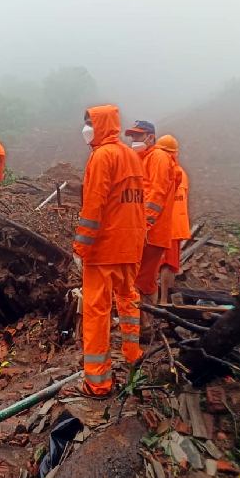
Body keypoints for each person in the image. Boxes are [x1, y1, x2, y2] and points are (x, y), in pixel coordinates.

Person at [71, 105, 145, 398]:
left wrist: (81, 246)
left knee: (97, 312)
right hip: (130, 246)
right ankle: (132, 356)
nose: (86, 128)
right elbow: (136, 202)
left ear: (100, 125)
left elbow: (94, 206)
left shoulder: (102, 156)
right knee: (128, 301)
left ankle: (98, 383)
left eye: (90, 123)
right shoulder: (131, 155)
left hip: (104, 250)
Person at [124, 120, 180, 328]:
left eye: (138, 136)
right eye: (131, 136)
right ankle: (144, 325)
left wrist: (144, 225)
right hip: (150, 232)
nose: (134, 140)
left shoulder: (158, 158)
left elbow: (155, 194)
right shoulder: (147, 158)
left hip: (150, 232)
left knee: (140, 280)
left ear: (150, 137)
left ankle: (142, 327)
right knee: (144, 279)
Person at [156, 135, 190, 305]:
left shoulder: (167, 170)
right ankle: (164, 299)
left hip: (166, 224)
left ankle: (162, 301)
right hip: (175, 224)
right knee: (168, 264)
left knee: (165, 264)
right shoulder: (181, 172)